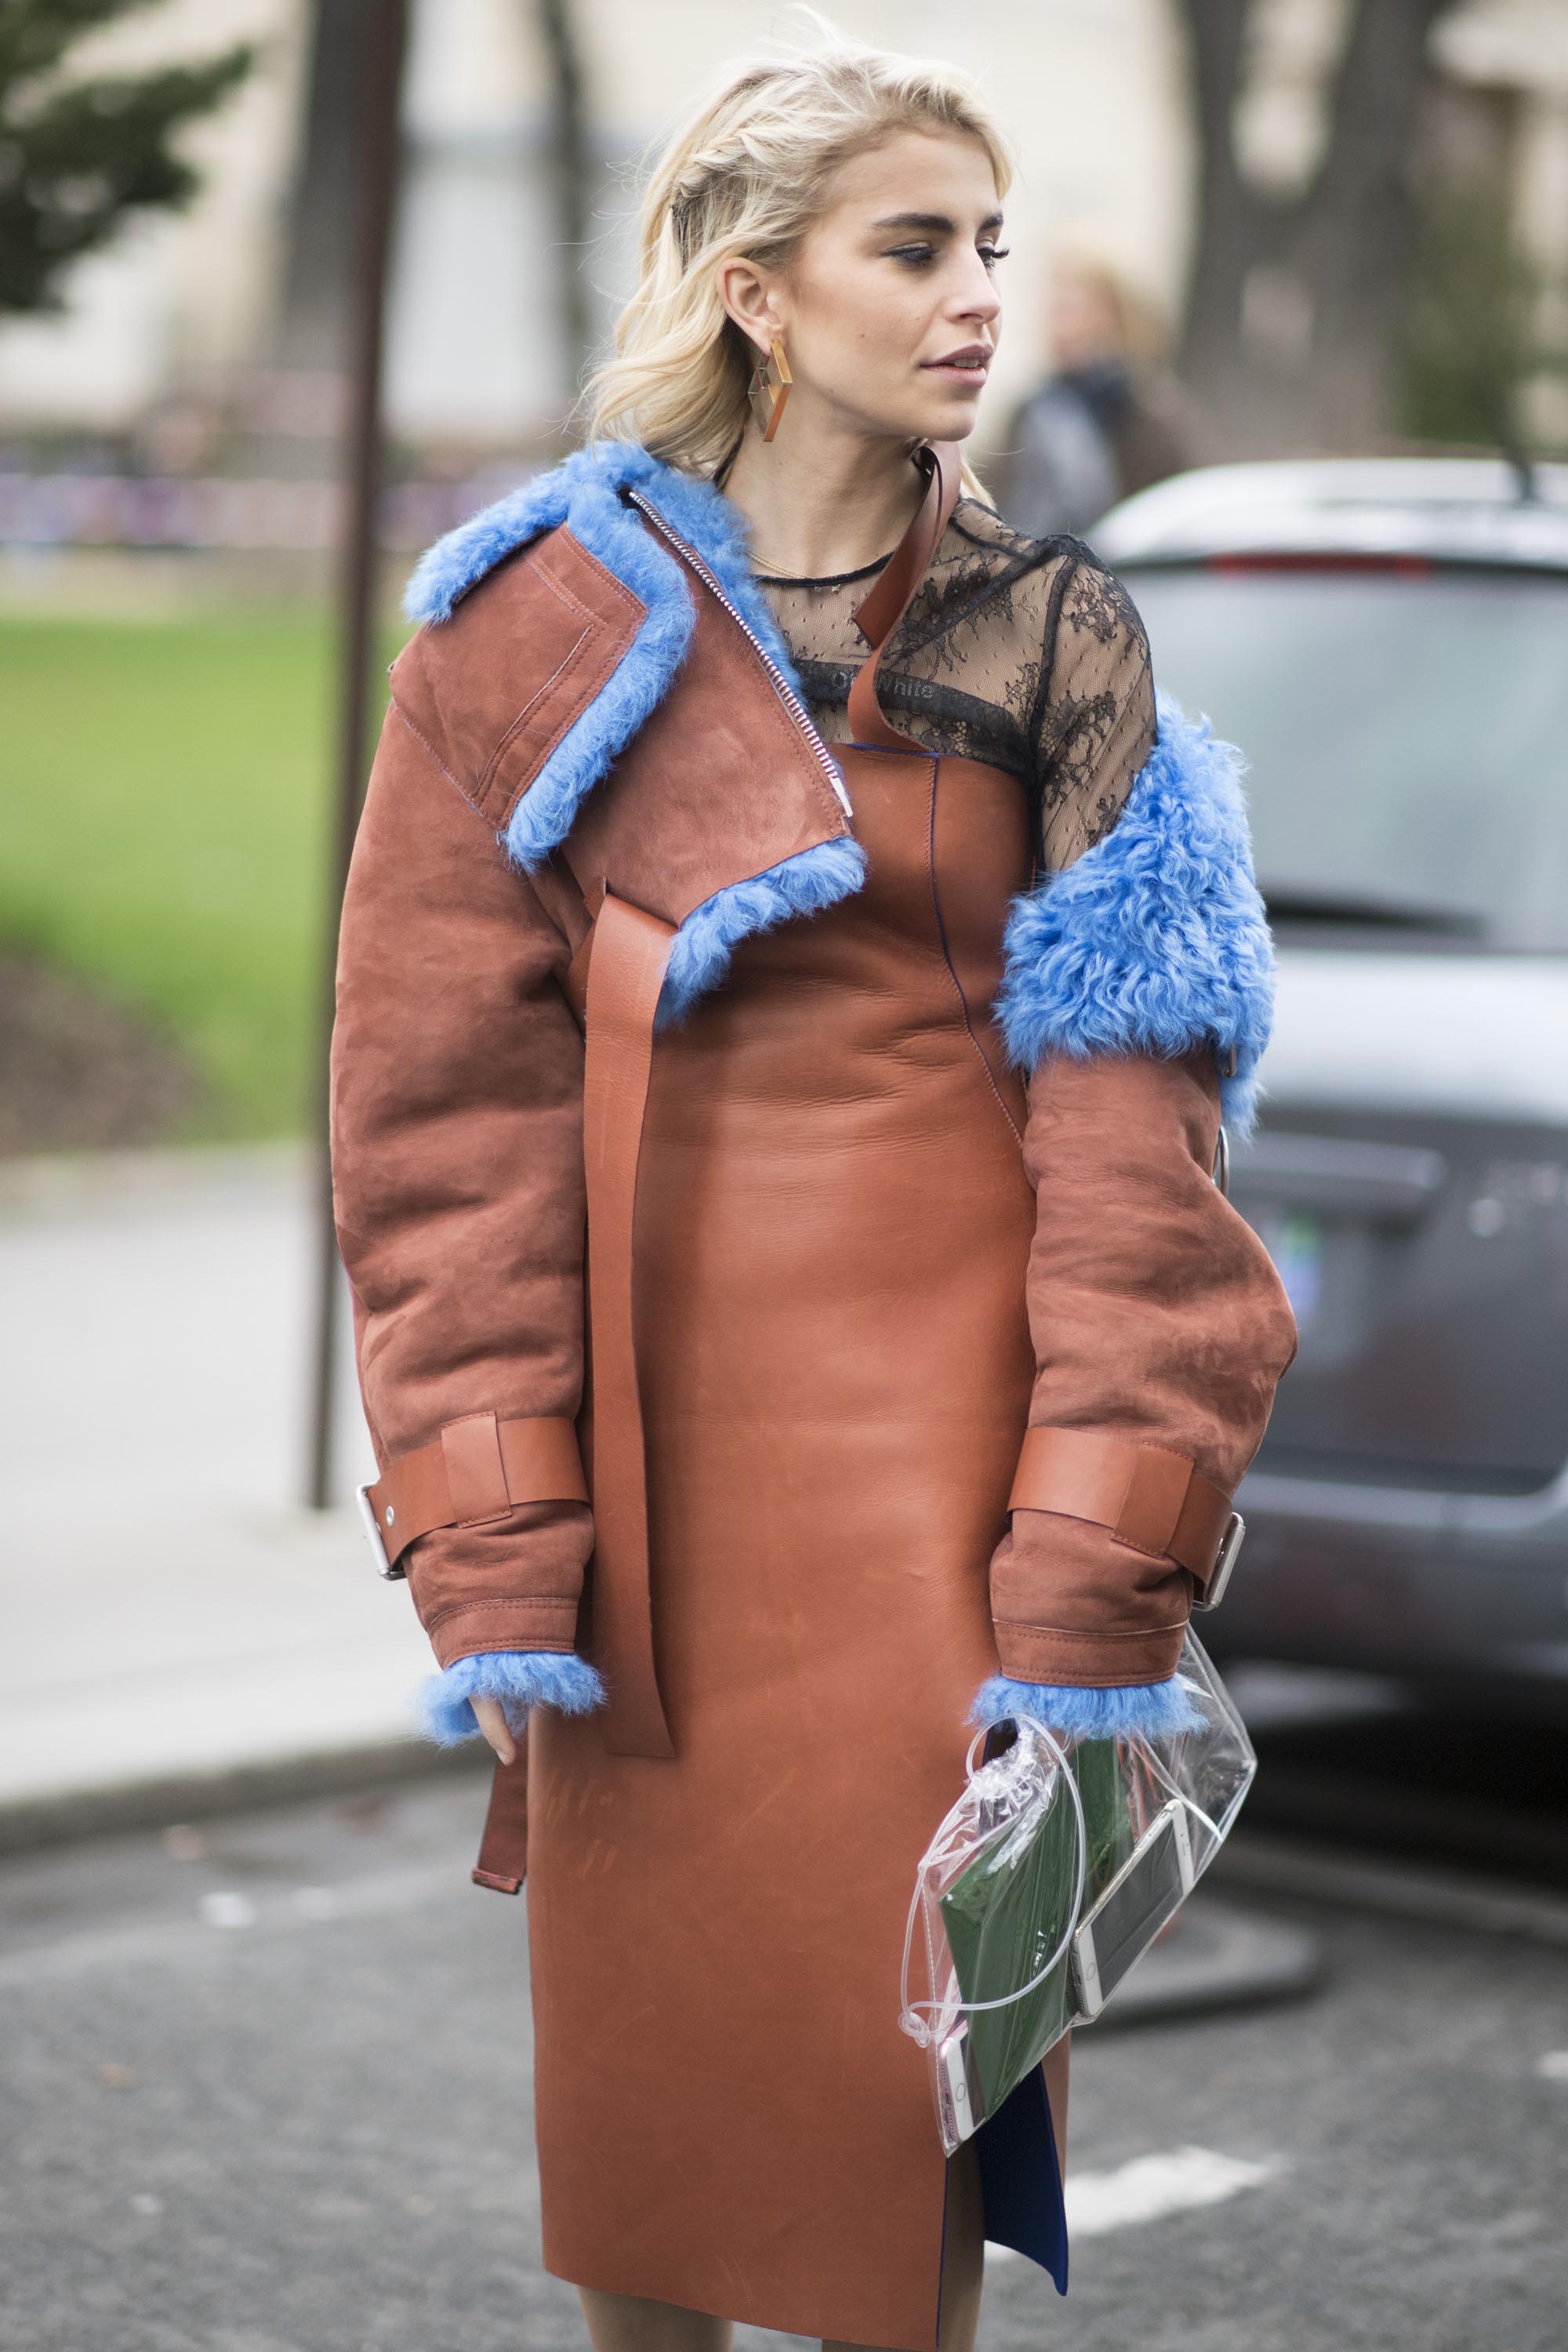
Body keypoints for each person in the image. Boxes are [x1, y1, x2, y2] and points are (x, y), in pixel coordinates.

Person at [328, 27, 1297, 2352]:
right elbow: (434, 1129)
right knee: (647, 2156)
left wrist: (1091, 1565)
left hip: (950, 1507)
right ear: (759, 293)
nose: (978, 291)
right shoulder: (526, 632)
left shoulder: (1060, 641)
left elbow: (1137, 1168)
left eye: (988, 243)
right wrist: (493, 1544)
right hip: (647, 1515)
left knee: (898, 2170)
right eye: (914, 247)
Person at [1000, 249, 1194, 538]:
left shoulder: (1149, 409)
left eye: (1068, 308)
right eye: (1052, 308)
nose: (1053, 323)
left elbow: (1178, 510)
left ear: (1109, 314)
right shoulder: (1032, 411)